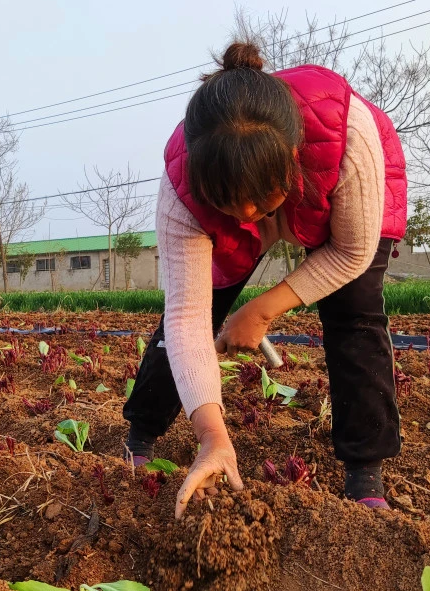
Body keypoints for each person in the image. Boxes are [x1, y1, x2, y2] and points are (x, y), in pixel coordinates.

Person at [122, 42, 407, 519]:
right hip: (246, 187)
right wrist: (214, 437)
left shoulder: (348, 138)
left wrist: (260, 311)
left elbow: (351, 253)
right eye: (233, 203)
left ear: (292, 158)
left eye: (260, 201)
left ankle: (365, 473)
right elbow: (188, 317)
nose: (250, 216)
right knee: (194, 315)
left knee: (355, 316)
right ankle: (141, 435)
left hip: (335, 186)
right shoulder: (184, 190)